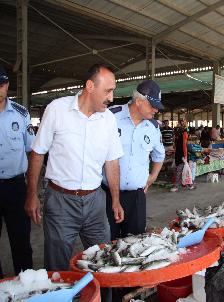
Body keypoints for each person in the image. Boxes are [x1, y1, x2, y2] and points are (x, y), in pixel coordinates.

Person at [25, 63, 124, 271]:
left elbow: (112, 162)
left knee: (103, 260)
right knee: (57, 264)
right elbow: (38, 153)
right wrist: (31, 194)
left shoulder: (108, 120)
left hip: (95, 202)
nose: (112, 98)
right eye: (108, 91)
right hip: (60, 202)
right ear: (90, 86)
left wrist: (115, 200)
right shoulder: (57, 110)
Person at [104, 80, 165, 239]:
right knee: (106, 242)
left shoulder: (153, 127)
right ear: (138, 101)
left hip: (136, 198)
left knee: (135, 242)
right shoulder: (110, 116)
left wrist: (152, 178)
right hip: (107, 194)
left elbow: (159, 155)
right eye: (152, 105)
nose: (155, 110)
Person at [0, 65, 34, 275]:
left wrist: (32, 191)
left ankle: (26, 284)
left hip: (15, 187)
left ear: (7, 85)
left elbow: (33, 151)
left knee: (21, 240)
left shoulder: (21, 114)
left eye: (1, 84)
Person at [171, 119, 196, 192]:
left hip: (178, 153)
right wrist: (185, 155)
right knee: (182, 170)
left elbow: (175, 144)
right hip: (182, 154)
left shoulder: (176, 133)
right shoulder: (184, 133)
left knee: (181, 170)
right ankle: (178, 186)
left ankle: (188, 184)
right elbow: (184, 145)